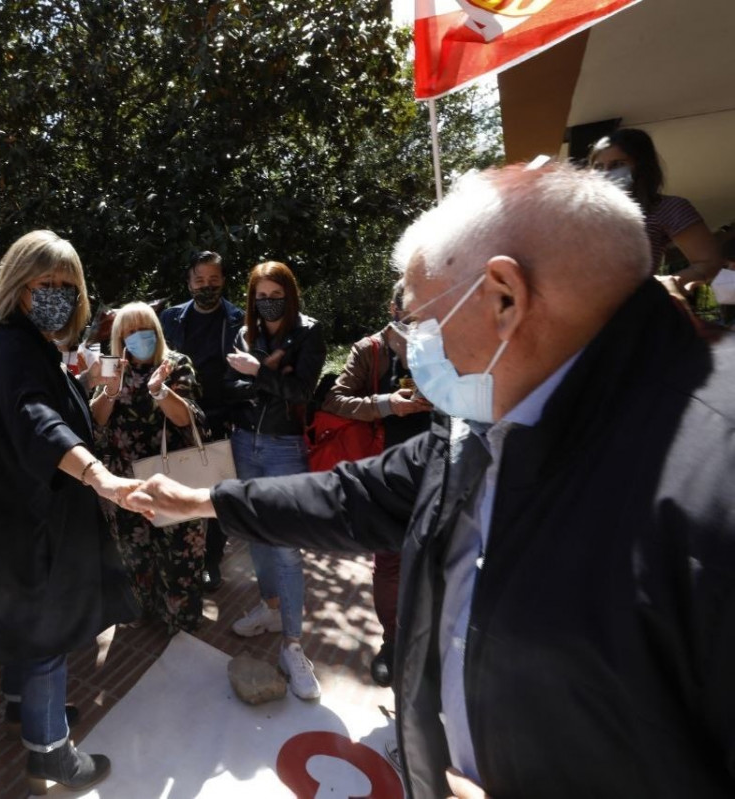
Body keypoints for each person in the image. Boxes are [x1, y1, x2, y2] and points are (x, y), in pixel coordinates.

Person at [129, 163, 735, 799]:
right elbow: (352, 497)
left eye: (422, 319)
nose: (415, 343)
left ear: (504, 298)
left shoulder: (711, 484)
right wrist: (202, 500)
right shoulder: (490, 419)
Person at [0, 230, 141, 795]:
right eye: (43, 283)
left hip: (6, 521)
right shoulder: (15, 347)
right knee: (46, 638)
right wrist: (99, 475)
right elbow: (36, 419)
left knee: (22, 631)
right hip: (26, 523)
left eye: (66, 285)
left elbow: (36, 405)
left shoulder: (11, 345)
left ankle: (23, 711)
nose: (56, 294)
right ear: (17, 285)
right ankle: (50, 754)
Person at [223, 260, 327, 700]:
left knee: (286, 547)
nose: (268, 302)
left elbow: (302, 392)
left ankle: (292, 644)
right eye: (260, 295)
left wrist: (259, 374)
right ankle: (269, 607)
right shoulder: (246, 333)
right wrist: (271, 376)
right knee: (257, 536)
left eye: (275, 294)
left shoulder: (308, 332)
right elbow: (235, 389)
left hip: (284, 445)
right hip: (246, 443)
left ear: (290, 293)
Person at [321, 283, 432, 687]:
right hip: (387, 472)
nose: (420, 319)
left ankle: (429, 647)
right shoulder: (370, 350)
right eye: (412, 310)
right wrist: (388, 404)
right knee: (389, 562)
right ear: (393, 308)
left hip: (439, 470)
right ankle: (392, 644)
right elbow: (335, 400)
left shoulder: (449, 343)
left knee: (433, 563)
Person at [91, 301, 207, 635]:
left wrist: (159, 390)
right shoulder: (113, 369)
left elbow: (188, 419)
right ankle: (146, 612)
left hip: (174, 477)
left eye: (144, 328)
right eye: (128, 331)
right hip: (126, 482)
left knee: (180, 553)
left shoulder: (176, 364)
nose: (137, 336)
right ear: (119, 337)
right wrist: (109, 393)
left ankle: (180, 624)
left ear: (156, 330)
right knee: (135, 553)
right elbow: (96, 423)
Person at [159, 250, 245, 592]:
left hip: (219, 418)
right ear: (189, 282)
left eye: (213, 280)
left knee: (214, 494)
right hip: (177, 415)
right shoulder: (171, 318)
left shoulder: (237, 319)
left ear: (222, 281)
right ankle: (178, 556)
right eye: (199, 280)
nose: (206, 286)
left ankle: (210, 561)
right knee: (178, 484)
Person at [589, 128, 723, 291]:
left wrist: (658, 288)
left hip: (631, 312)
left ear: (641, 166)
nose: (606, 172)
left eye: (618, 164)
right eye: (598, 167)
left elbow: (709, 263)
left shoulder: (666, 208)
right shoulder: (578, 212)